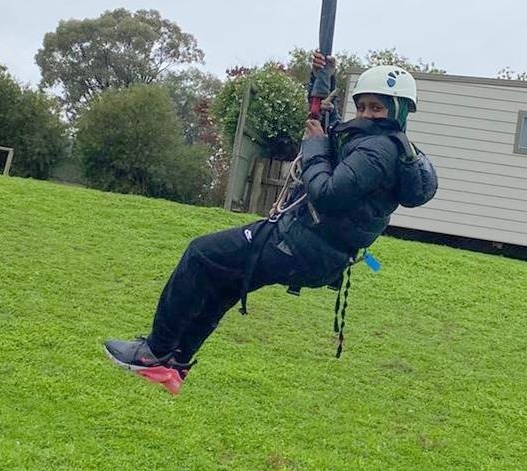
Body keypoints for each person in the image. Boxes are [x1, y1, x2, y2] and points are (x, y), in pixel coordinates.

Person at [104, 54, 437, 394]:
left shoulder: (376, 152)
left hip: (298, 246)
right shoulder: (387, 146)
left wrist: (314, 147)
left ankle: (154, 352)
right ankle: (175, 363)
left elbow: (326, 193)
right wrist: (323, 80)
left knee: (200, 254)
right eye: (362, 106)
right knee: (223, 283)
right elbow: (330, 128)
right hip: (314, 252)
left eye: (376, 108)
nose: (367, 114)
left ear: (398, 110)